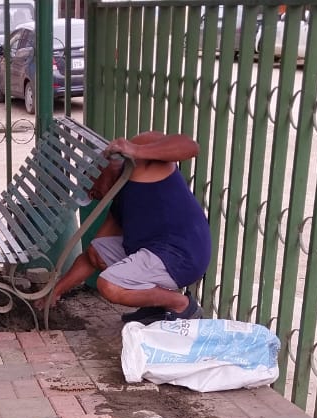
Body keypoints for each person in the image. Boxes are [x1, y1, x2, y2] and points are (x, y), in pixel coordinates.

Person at [50, 130, 212, 324]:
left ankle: (181, 305)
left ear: (98, 169)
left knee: (110, 285)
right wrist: (55, 292)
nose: (92, 195)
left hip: (184, 253)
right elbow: (92, 256)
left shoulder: (138, 158)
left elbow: (190, 146)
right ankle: (157, 307)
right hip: (158, 250)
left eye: (89, 188)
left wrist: (136, 150)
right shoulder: (118, 198)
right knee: (96, 252)